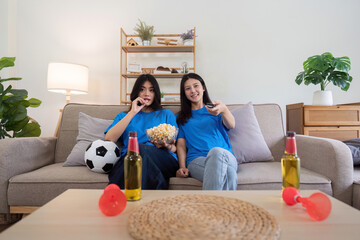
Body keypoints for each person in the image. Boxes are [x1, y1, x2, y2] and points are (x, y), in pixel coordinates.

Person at [105, 74, 178, 189]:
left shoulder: (166, 114)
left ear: (156, 93)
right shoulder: (123, 116)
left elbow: (175, 147)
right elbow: (110, 138)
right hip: (130, 159)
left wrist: (166, 146)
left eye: (151, 90)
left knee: (140, 148)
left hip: (163, 158)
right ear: (136, 93)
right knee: (137, 154)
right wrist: (132, 112)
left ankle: (113, 191)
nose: (147, 94)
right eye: (142, 89)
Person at [176, 73, 238, 190]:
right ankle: (225, 207)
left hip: (226, 157)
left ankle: (208, 206)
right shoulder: (182, 117)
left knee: (216, 152)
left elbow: (232, 125)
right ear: (184, 93)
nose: (193, 91)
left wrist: (223, 109)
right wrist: (182, 166)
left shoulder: (215, 109)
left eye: (196, 86)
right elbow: (181, 145)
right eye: (188, 88)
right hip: (197, 160)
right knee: (229, 173)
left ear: (203, 88)